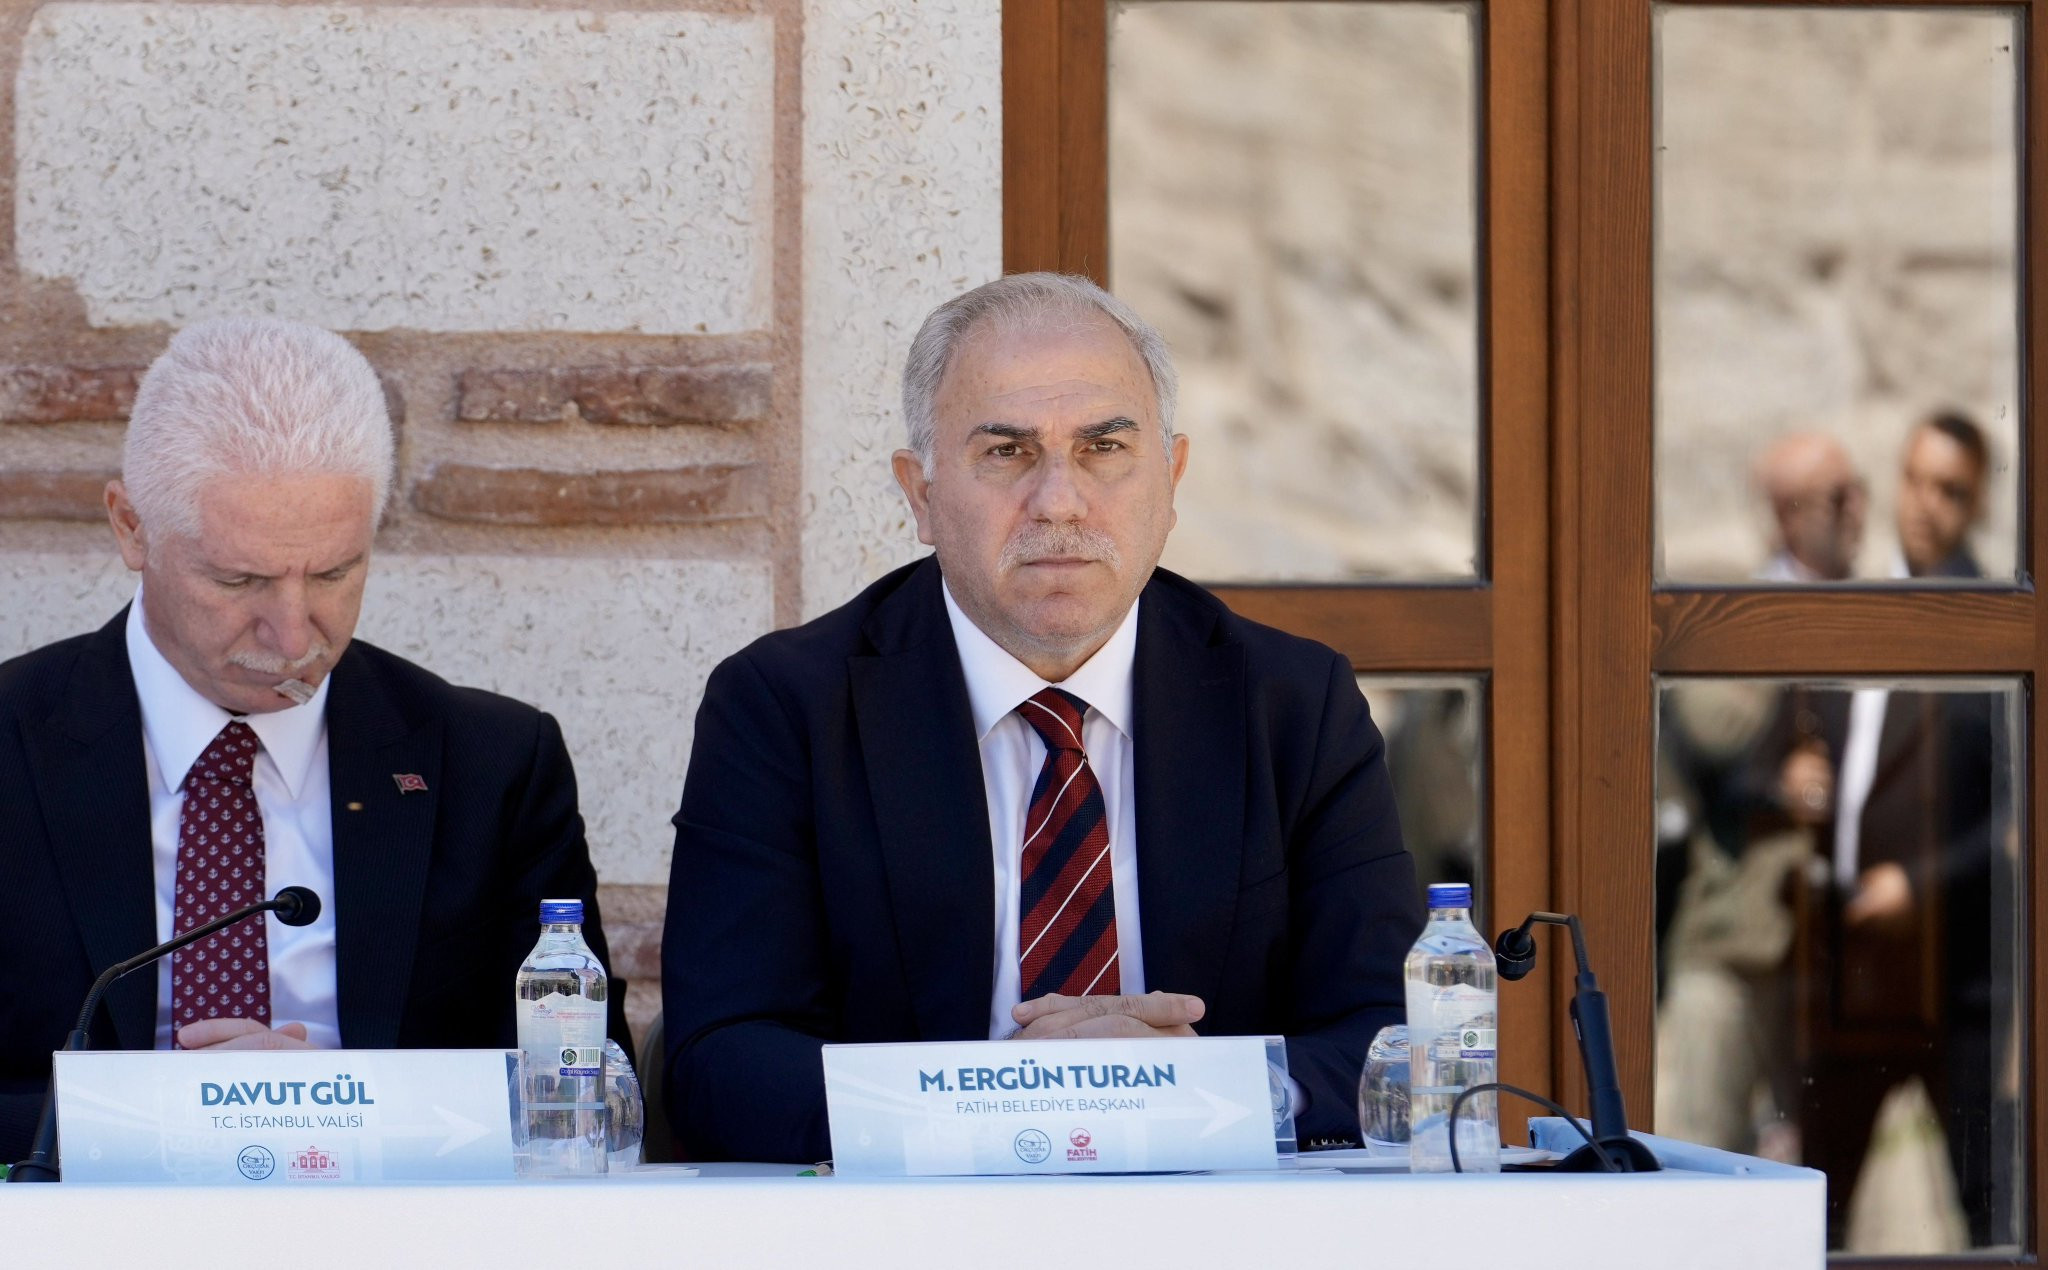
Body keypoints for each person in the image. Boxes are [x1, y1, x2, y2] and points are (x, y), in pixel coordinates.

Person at [661, 273, 1423, 1163]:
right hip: (914, 1223)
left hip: (1217, 1217)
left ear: (1171, 479)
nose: (1060, 500)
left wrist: (1209, 1091)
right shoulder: (784, 706)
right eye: (1007, 452)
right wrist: (1002, 1100)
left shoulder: (1294, 703)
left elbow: (1394, 1039)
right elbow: (721, 1060)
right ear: (920, 493)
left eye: (1104, 447)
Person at [0, 317, 627, 1166]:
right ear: (130, 527)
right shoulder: (14, 741)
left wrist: (337, 1107)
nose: (295, 635)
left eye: (333, 573)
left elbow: (584, 1099)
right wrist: (169, 1116)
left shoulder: (493, 764)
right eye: (239, 579)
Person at [1750, 432, 1866, 582]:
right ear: (1787, 516)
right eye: (1837, 498)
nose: (1854, 510)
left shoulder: (1879, 591)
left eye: (1859, 491)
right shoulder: (1761, 594)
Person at [1895, 411, 1989, 579]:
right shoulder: (1856, 582)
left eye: (1950, 491)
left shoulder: (1993, 593)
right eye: (1915, 481)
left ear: (1977, 504)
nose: (1927, 504)